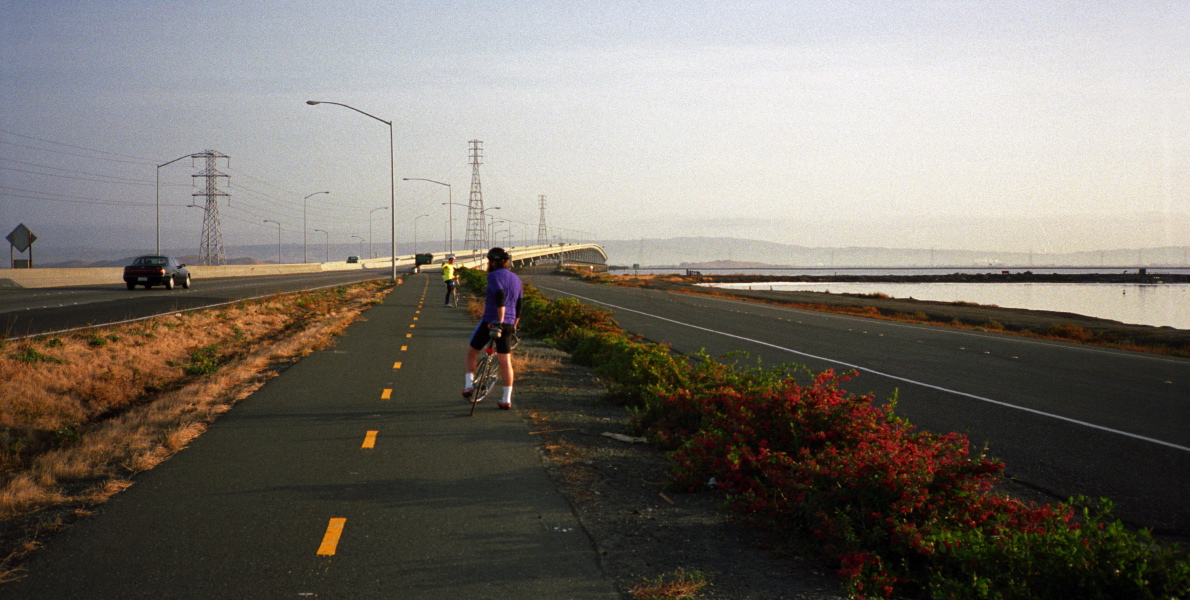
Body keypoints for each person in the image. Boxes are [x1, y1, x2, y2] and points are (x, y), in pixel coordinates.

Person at [462, 247, 523, 410]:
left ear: (492, 262)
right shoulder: (517, 279)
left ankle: (468, 386)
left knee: (472, 352)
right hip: (510, 323)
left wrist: (499, 320)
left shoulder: (493, 276)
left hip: (491, 320)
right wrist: (513, 323)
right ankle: (506, 399)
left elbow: (500, 296)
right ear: (506, 261)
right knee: (505, 361)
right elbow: (519, 305)